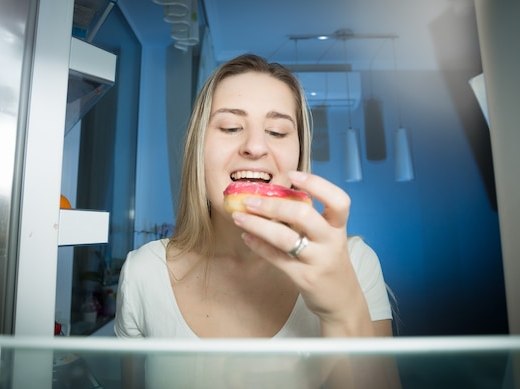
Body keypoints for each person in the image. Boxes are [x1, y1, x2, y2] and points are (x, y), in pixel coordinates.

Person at [115, 54, 397, 388]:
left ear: (298, 153)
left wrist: (343, 310)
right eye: (231, 127)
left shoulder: (354, 265)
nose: (255, 146)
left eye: (277, 132)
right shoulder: (143, 273)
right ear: (198, 150)